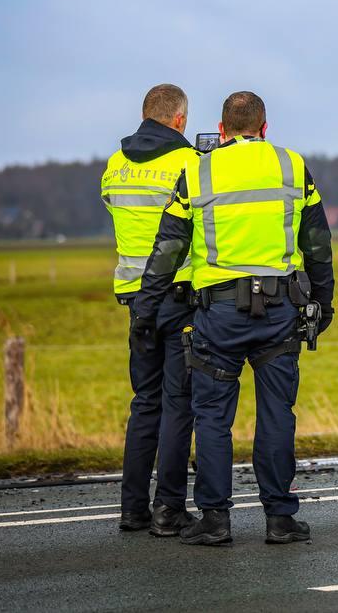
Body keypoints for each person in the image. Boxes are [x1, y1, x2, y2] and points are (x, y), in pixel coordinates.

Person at [134, 91, 335, 546]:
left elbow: (168, 249)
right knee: (277, 414)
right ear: (264, 128)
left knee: (211, 417)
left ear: (221, 130)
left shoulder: (197, 170)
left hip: (218, 314)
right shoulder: (291, 165)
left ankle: (215, 520)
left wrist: (146, 309)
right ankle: (280, 519)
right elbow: (318, 244)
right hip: (279, 310)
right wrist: (324, 303)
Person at [100, 83, 198, 536]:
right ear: (179, 119)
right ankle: (168, 509)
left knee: (144, 402)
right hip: (177, 295)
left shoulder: (115, 164)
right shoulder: (187, 162)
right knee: (178, 404)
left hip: (134, 297)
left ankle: (132, 509)